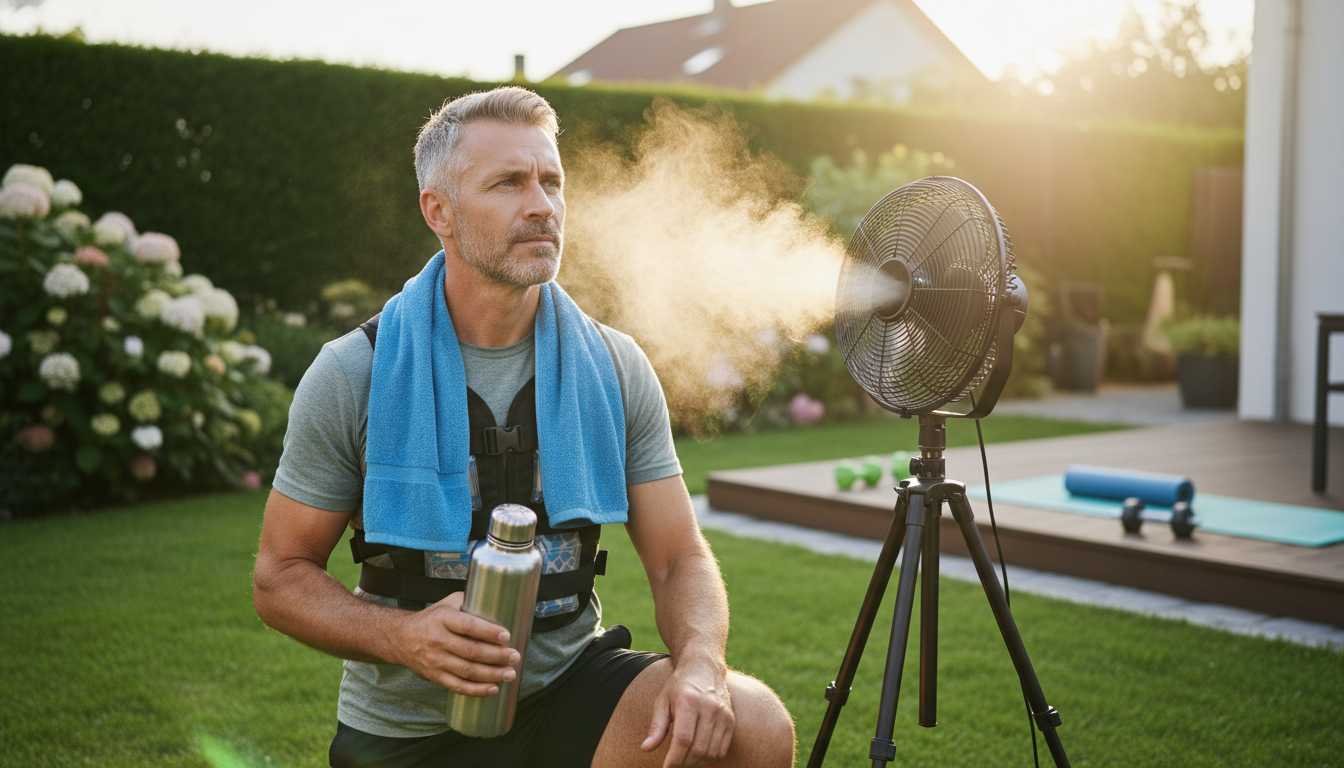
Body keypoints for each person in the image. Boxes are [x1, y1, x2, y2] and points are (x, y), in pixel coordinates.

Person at [251, 86, 795, 768]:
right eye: (508, 183)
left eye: (551, 181)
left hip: (570, 689)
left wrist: (701, 667)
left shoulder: (614, 366)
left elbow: (679, 557)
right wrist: (405, 636)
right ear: (438, 211)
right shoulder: (354, 373)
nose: (541, 204)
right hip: (412, 727)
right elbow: (280, 576)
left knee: (754, 725)